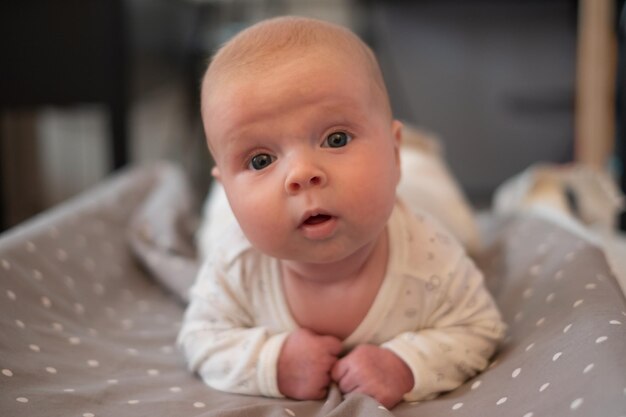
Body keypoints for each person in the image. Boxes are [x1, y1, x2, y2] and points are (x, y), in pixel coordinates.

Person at [177, 16, 506, 409]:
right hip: (237, 219)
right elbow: (201, 338)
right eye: (261, 159)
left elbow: (479, 327)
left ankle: (417, 154)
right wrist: (273, 361)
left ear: (393, 153)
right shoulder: (235, 266)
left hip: (415, 191)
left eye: (336, 138)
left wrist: (406, 365)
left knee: (460, 221)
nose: (301, 174)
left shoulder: (432, 257)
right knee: (215, 232)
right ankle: (224, 198)